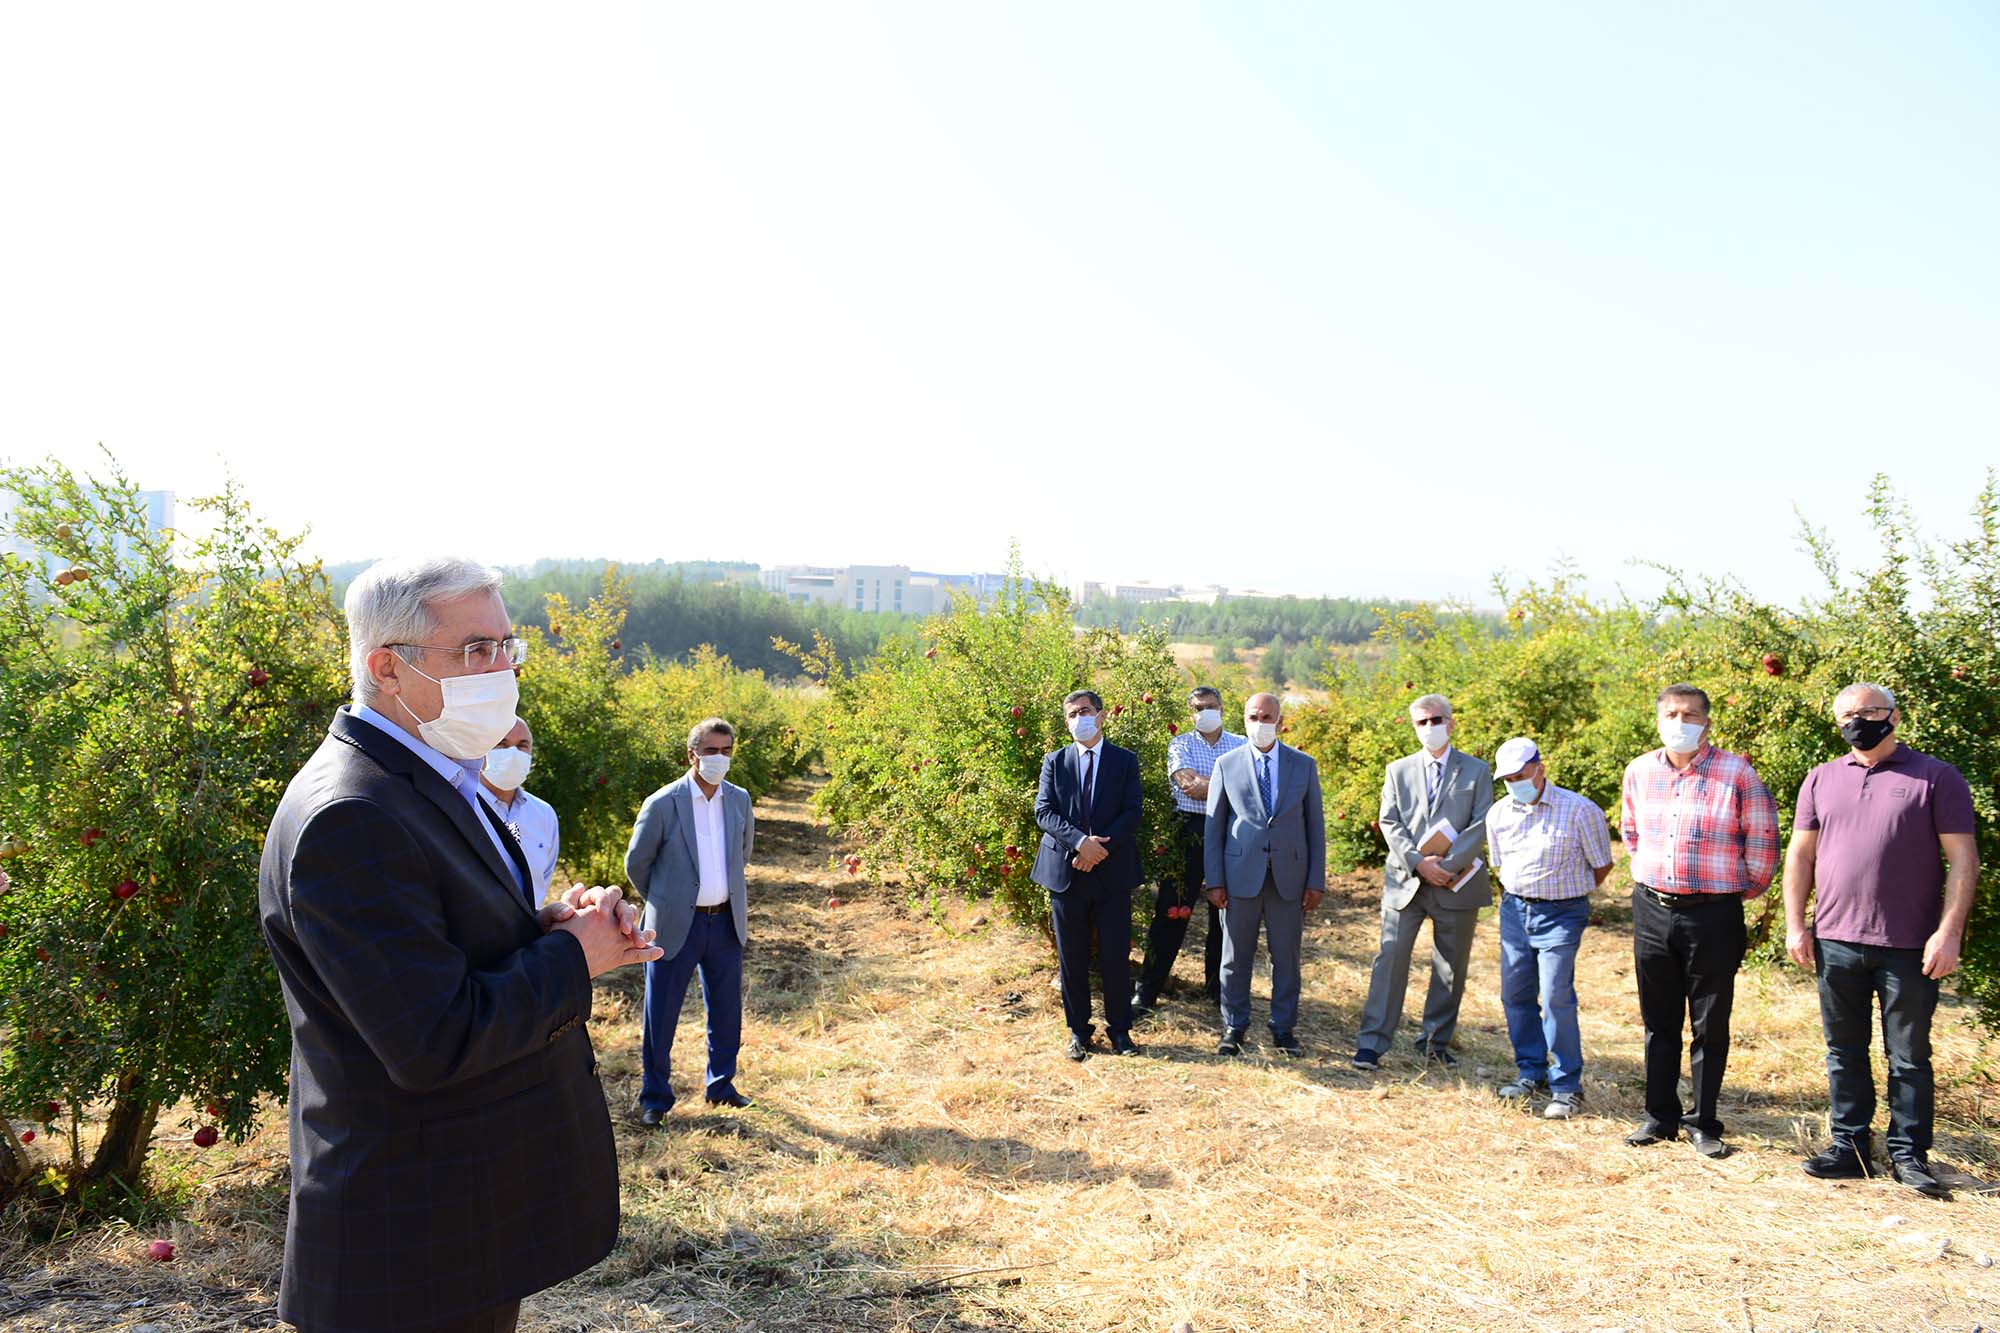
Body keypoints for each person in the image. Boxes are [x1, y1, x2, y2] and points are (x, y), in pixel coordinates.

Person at [259, 556, 661, 1333]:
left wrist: (546, 927)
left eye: (508, 646)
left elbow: (436, 943)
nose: (502, 669)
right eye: (475, 650)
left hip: (452, 1223)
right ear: (387, 667)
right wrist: (575, 958)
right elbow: (432, 1038)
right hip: (407, 1245)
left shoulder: (425, 779)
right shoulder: (352, 814)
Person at [1785, 683, 1979, 1199]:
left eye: (1869, 711)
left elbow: (1964, 858)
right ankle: (1848, 1148)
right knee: (1843, 1050)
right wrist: (1796, 924)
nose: (1859, 721)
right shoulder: (1821, 779)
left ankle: (1908, 1154)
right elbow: (1800, 857)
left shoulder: (1936, 777)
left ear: (1894, 715)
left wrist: (1949, 931)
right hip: (1836, 940)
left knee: (1909, 1055)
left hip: (1911, 944)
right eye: (1847, 714)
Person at [1621, 683, 1779, 1158]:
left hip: (1712, 912)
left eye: (1690, 714)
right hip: (1652, 908)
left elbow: (1763, 844)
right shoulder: (1640, 771)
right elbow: (1631, 833)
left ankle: (1704, 1121)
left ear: (1707, 723)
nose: (1679, 722)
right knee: (1658, 1018)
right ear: (1657, 720)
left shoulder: (1737, 773)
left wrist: (1728, 892)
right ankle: (1659, 1116)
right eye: (1671, 713)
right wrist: (1656, 877)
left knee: (1710, 1023)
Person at [627, 717, 757, 1123]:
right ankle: (655, 1098)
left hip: (724, 924)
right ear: (692, 755)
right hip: (674, 925)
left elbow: (743, 854)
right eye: (711, 751)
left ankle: (720, 1085)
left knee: (726, 1010)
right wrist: (667, 900)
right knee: (661, 1014)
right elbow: (637, 863)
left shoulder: (739, 800)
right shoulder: (664, 803)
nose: (719, 758)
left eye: (726, 751)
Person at [1353, 693, 1493, 1070]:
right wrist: (1418, 863)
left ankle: (1435, 1042)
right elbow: (1389, 821)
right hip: (1406, 882)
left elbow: (1481, 822)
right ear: (1414, 727)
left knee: (1450, 966)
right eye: (1422, 722)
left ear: (1450, 722)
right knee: (1390, 961)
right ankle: (1372, 1043)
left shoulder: (1477, 771)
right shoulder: (1397, 770)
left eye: (1436, 720)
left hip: (1455, 881)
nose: (1430, 727)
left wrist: (1447, 865)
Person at [1485, 737, 1613, 1119]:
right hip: (1514, 911)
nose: (1514, 783)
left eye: (1519, 774)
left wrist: (1566, 894)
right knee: (1515, 994)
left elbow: (1602, 865)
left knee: (1556, 995)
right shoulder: (1498, 814)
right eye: (1506, 778)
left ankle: (1566, 1086)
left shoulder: (1579, 810)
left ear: (1539, 768)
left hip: (1562, 913)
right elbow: (1499, 863)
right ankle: (1531, 1072)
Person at [1204, 692, 1326, 1056]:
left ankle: (1283, 1028)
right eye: (1253, 716)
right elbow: (1215, 828)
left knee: (1286, 957)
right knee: (1235, 956)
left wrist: (1315, 880)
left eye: (1266, 716)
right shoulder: (1227, 764)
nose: (1259, 723)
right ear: (1243, 718)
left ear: (1280, 721)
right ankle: (1234, 1026)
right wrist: (1214, 880)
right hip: (1240, 875)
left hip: (1289, 877)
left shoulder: (1303, 765)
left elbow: (1315, 827)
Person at [1032, 689, 1145, 1060]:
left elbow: (1132, 811)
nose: (1078, 718)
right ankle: (1079, 1031)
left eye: (1084, 711)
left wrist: (1099, 851)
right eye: (1071, 714)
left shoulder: (1124, 761)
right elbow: (1045, 812)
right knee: (1072, 958)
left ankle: (1121, 1031)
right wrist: (1081, 843)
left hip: (1112, 873)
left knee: (1115, 955)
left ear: (1101, 716)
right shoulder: (1055, 761)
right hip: (1066, 872)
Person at [1133, 686, 1244, 1013]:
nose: (1204, 711)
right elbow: (1187, 786)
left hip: (1229, 830)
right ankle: (1147, 990)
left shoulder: (1240, 744)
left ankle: (1217, 990)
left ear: (1222, 707)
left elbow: (1245, 788)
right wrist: (1227, 785)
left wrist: (1210, 785)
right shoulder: (1180, 743)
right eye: (1198, 707)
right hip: (1188, 830)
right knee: (1171, 911)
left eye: (1210, 705)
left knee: (1224, 914)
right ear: (1190, 712)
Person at [478, 717, 560, 903]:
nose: (513, 754)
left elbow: (542, 882)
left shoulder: (544, 815)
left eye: (522, 746)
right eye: (501, 744)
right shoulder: (462, 805)